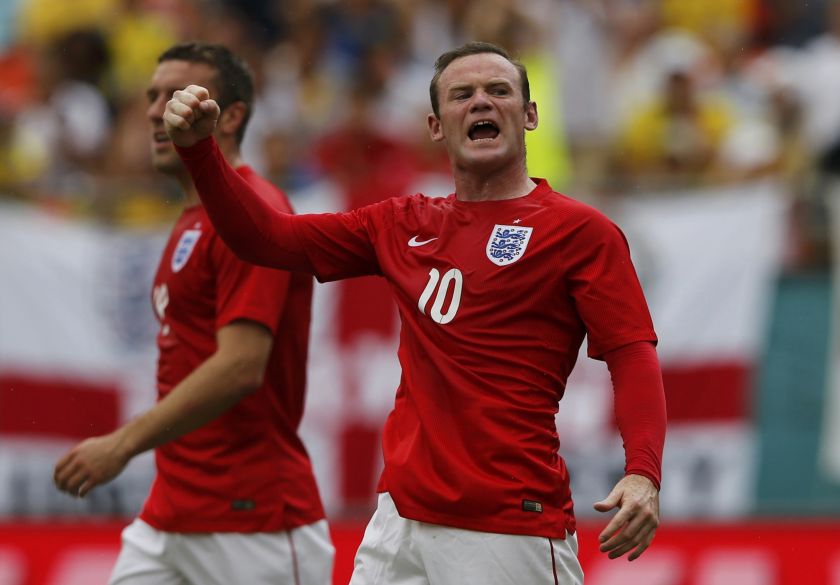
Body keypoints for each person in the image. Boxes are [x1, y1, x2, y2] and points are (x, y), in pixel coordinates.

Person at [164, 41, 667, 585]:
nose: (480, 103)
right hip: (397, 523)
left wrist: (643, 472)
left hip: (507, 525)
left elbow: (631, 353)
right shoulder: (402, 223)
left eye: (499, 91)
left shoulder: (579, 232)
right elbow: (270, 239)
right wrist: (201, 154)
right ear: (435, 125)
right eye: (462, 94)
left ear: (529, 115)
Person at [53, 42, 334, 585]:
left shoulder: (255, 213)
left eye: (178, 95)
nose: (157, 111)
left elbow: (241, 365)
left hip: (253, 522)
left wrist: (121, 444)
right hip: (171, 515)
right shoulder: (191, 217)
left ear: (231, 117)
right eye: (153, 96)